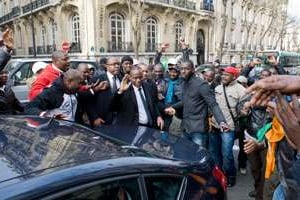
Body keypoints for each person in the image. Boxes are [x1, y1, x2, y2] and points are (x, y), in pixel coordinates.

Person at [165, 60, 228, 149]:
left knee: (199, 156)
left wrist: (221, 121)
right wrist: (173, 107)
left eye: (186, 69)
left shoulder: (201, 84)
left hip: (198, 129)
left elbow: (213, 104)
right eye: (182, 69)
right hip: (186, 126)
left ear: (193, 70)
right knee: (186, 155)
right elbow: (185, 101)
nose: (183, 71)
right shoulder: (184, 82)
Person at [210, 66, 246, 187]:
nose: (223, 77)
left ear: (234, 76)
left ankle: (230, 176)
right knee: (215, 153)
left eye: (227, 75)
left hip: (228, 128)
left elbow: (246, 107)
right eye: (223, 74)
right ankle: (219, 175)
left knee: (227, 155)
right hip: (214, 126)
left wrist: (245, 111)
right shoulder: (217, 87)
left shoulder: (241, 90)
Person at [86, 57, 122, 127]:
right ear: (107, 66)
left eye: (118, 64)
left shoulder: (122, 79)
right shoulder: (97, 79)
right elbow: (88, 101)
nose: (117, 66)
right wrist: (95, 117)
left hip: (120, 120)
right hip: (102, 119)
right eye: (114, 64)